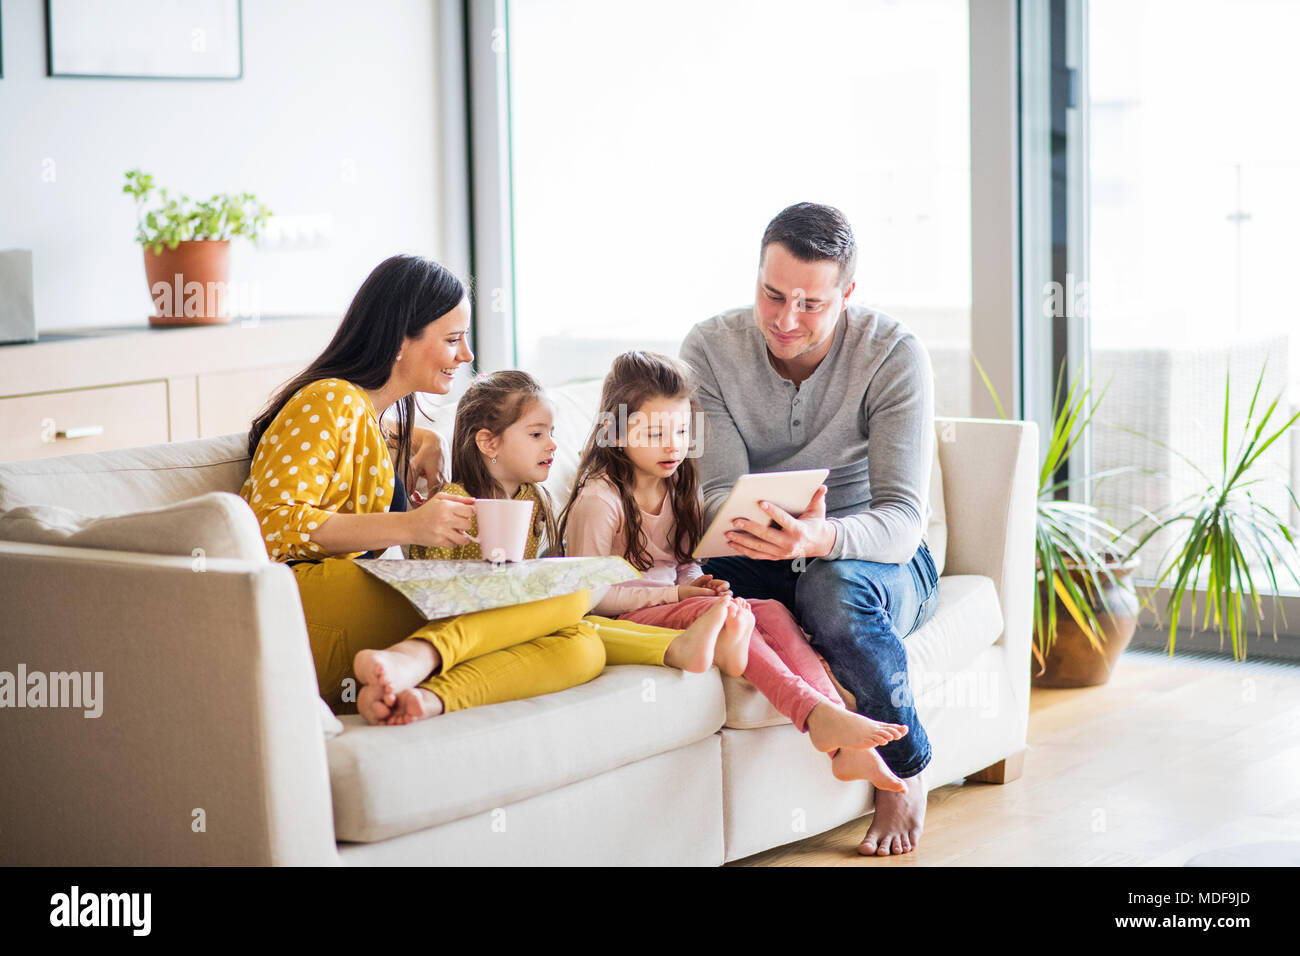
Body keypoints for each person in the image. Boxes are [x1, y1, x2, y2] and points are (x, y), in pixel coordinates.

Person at [240, 254, 723, 725]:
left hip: (353, 631)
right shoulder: (329, 399)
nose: (466, 355)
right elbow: (270, 525)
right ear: (398, 339)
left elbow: (361, 445)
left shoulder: (372, 418)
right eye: (452, 339)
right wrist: (412, 524)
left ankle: (424, 696)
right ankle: (424, 653)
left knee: (581, 649)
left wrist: (420, 439)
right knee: (567, 589)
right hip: (303, 612)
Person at [679, 203, 942, 856]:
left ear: (847, 296)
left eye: (811, 304)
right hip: (761, 550)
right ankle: (826, 716)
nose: (786, 320)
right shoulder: (709, 349)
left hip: (877, 563)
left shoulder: (894, 355)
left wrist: (822, 538)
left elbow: (904, 520)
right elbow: (716, 494)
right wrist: (768, 531)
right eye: (772, 295)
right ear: (757, 275)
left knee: (830, 591)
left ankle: (905, 769)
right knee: (693, 589)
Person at [561, 350, 910, 784]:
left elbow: (682, 567)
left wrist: (698, 583)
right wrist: (680, 596)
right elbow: (593, 597)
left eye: (682, 431)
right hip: (625, 618)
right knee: (722, 614)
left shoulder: (679, 488)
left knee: (770, 610)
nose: (673, 445)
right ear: (615, 432)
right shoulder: (600, 500)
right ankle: (817, 714)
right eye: (654, 433)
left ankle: (840, 734)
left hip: (674, 607)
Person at [409, 366, 738, 673]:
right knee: (582, 630)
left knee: (583, 640)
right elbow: (432, 593)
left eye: (551, 433)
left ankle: (677, 648)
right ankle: (674, 649)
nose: (553, 445)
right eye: (538, 435)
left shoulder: (532, 500)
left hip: (519, 619)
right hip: (469, 624)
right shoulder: (453, 504)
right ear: (488, 442)